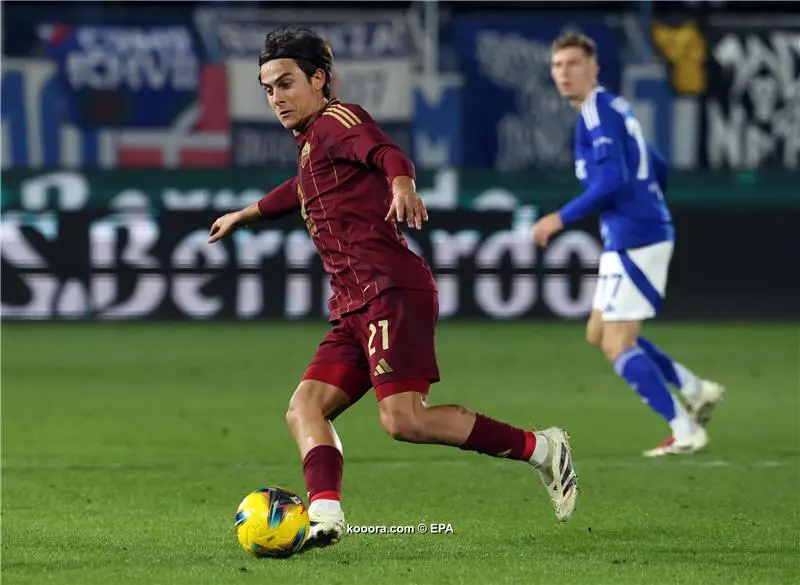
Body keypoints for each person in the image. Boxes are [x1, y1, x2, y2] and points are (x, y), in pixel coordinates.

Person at [208, 27, 579, 546]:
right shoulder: (313, 144)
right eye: (268, 88)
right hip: (353, 305)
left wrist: (402, 184)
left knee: (403, 420)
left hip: (388, 290)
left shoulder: (340, 119)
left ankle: (542, 448)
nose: (277, 98)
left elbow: (387, 154)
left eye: (286, 83)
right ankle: (326, 518)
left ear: (319, 80)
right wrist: (245, 215)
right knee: (304, 408)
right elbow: (301, 189)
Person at [534, 33, 725, 457]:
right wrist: (650, 202)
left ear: (594, 68)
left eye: (573, 64)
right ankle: (696, 388)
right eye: (558, 65)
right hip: (633, 232)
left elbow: (614, 180)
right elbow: (655, 163)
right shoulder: (614, 107)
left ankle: (685, 429)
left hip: (636, 236)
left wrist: (559, 217)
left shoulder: (597, 111)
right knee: (599, 332)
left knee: (619, 342)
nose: (564, 73)